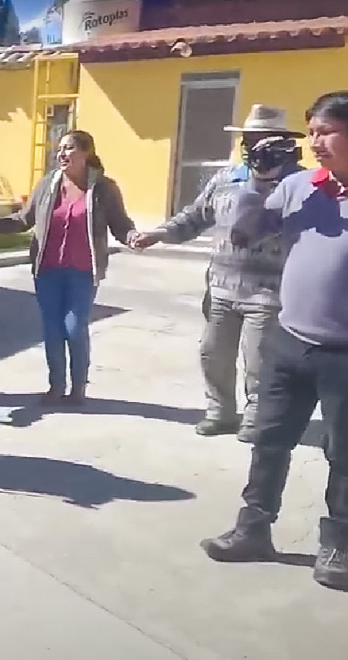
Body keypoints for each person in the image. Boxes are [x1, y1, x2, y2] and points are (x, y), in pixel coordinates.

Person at [200, 91, 348, 592]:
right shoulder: (299, 186)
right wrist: (263, 184)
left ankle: (339, 546)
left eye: (325, 131)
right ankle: (254, 529)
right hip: (290, 340)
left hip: (344, 354)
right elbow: (244, 235)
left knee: (344, 452)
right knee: (268, 439)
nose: (316, 142)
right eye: (311, 133)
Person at [130, 105, 304, 442]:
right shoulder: (226, 178)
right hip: (222, 288)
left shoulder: (298, 183)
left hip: (269, 292)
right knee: (213, 354)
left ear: (281, 143)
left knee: (259, 361)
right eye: (248, 139)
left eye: (262, 141)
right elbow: (195, 217)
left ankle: (257, 417)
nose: (253, 147)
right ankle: (220, 412)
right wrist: (159, 234)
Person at [0, 130, 136, 405]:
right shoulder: (48, 184)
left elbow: (120, 223)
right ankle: (56, 386)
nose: (61, 154)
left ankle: (78, 388)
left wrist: (133, 237)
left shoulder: (103, 189)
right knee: (52, 329)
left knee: (74, 328)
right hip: (47, 270)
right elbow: (23, 219)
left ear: (86, 153)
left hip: (83, 271)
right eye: (60, 149)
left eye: (70, 148)